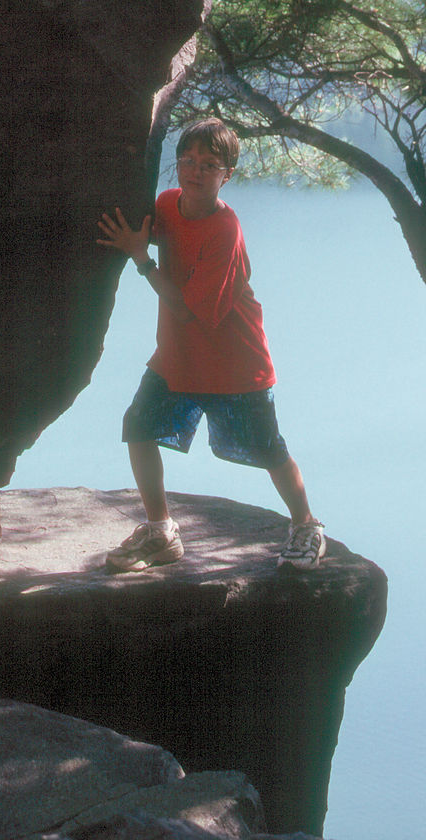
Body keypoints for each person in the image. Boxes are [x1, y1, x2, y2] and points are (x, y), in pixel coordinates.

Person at [96, 116, 325, 572]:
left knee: (269, 451)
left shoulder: (225, 230)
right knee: (138, 428)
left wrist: (140, 257)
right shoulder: (167, 204)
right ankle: (161, 532)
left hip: (234, 363)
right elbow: (152, 233)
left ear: (228, 174)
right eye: (187, 160)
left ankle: (307, 525)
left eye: (209, 164)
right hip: (179, 357)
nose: (195, 171)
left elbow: (185, 309)